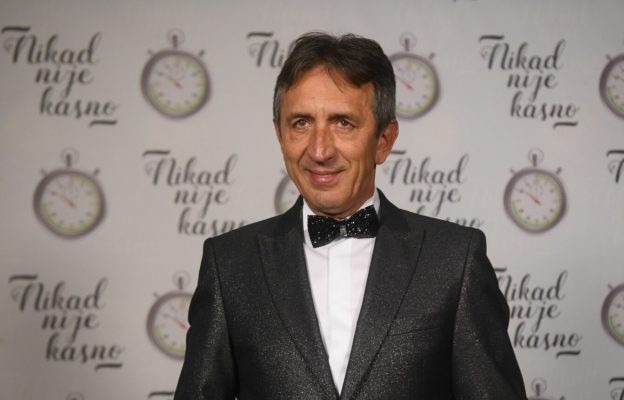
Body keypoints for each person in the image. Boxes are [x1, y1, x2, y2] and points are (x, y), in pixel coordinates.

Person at [174, 32, 526, 400]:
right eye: (301, 123)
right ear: (279, 134)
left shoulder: (455, 260)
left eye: (343, 123)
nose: (319, 150)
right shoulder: (230, 264)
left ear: (384, 140)